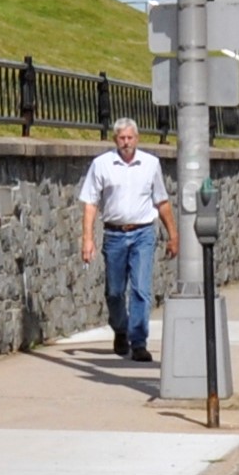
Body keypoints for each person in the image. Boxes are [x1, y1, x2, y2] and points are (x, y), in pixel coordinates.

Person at [78, 117, 180, 366]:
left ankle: (139, 342)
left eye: (130, 138)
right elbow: (91, 203)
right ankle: (120, 329)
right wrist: (88, 238)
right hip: (114, 234)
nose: (126, 142)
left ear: (137, 138)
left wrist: (173, 235)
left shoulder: (150, 164)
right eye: (122, 138)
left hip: (143, 233)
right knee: (114, 292)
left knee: (140, 289)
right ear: (115, 140)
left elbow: (162, 201)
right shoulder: (101, 164)